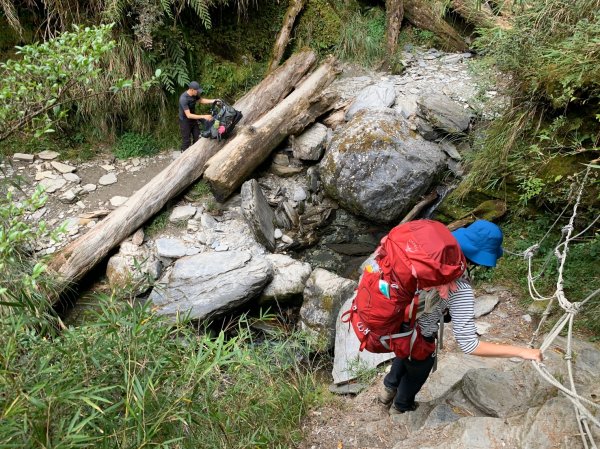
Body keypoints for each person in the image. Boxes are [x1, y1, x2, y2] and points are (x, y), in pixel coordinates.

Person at [378, 220, 543, 415]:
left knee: (404, 352)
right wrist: (522, 352)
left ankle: (386, 392)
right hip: (419, 337)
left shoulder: (425, 256)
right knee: (420, 368)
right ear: (479, 260)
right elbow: (469, 345)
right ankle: (401, 407)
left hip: (397, 324)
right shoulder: (460, 288)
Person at [178, 81, 218, 151]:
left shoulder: (194, 94)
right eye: (197, 91)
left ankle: (195, 153)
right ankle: (183, 156)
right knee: (186, 141)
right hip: (185, 120)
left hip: (193, 118)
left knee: (197, 137)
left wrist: (214, 100)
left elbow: (201, 100)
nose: (198, 92)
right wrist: (204, 116)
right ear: (192, 90)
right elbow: (188, 115)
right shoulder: (183, 99)